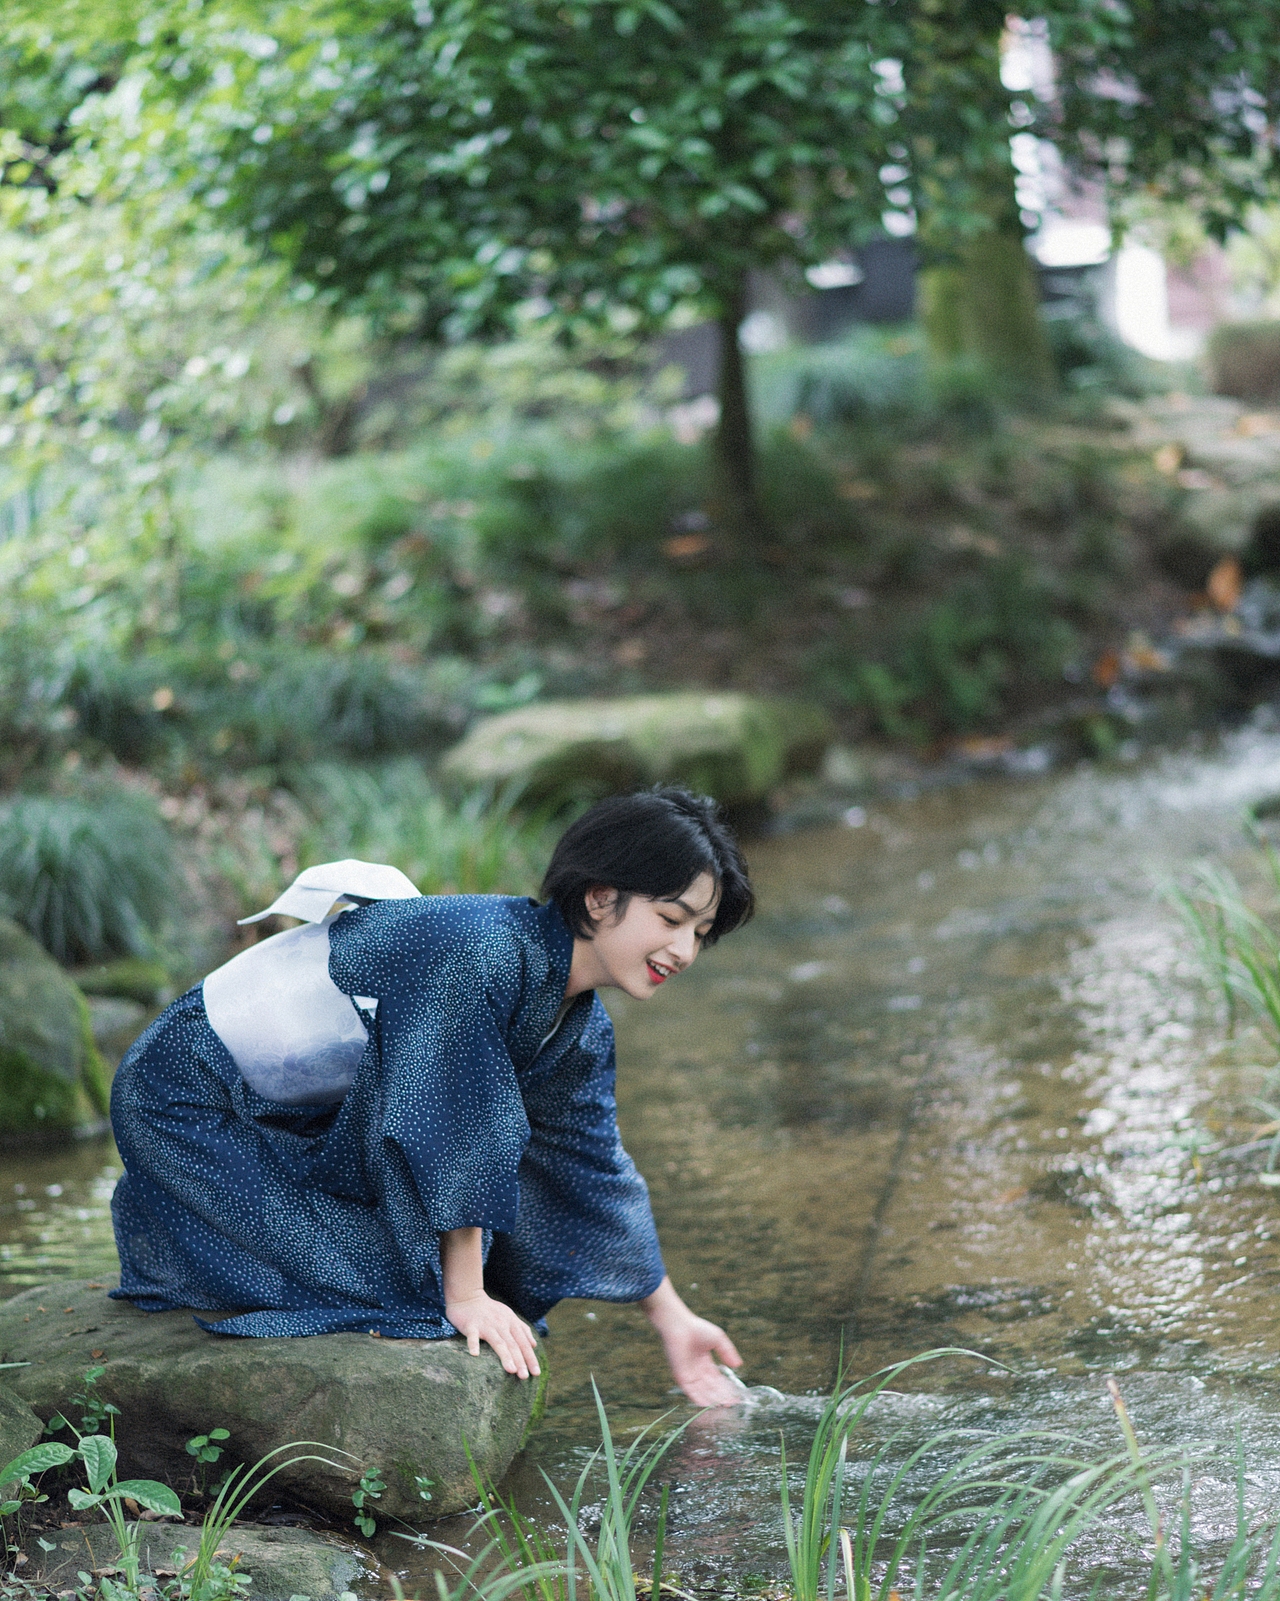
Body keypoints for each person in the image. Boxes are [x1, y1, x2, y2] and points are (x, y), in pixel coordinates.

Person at [110, 787, 754, 1406]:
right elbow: (457, 1125)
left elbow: (592, 1163)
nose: (683, 950)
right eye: (671, 919)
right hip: (185, 1100)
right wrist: (466, 1296)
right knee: (413, 1291)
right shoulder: (482, 952)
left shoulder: (580, 1021)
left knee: (468, 1269)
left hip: (300, 1116)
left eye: (700, 933)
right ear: (600, 898)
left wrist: (671, 1316)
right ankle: (174, 1223)